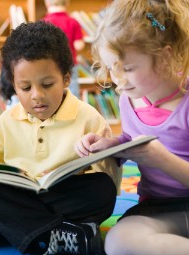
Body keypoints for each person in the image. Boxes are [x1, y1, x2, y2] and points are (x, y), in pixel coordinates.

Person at [0, 21, 121, 255]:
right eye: (25, 87)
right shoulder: (6, 120)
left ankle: (0, 226)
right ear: (14, 85)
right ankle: (58, 235)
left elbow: (108, 176)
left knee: (102, 190)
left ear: (65, 79)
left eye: (47, 84)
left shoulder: (89, 118)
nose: (37, 96)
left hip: (61, 194)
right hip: (20, 193)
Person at [74, 1, 189, 254]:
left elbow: (158, 154)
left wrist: (162, 160)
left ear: (165, 56)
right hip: (157, 210)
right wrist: (112, 146)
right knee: (118, 242)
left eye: (127, 68)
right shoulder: (128, 97)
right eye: (111, 68)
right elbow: (132, 139)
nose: (118, 80)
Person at [42, 0, 85, 98]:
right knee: (73, 92)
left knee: (50, 92)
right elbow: (79, 45)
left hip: (49, 65)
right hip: (69, 64)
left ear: (47, 4)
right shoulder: (73, 22)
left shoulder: (44, 22)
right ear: (67, 3)